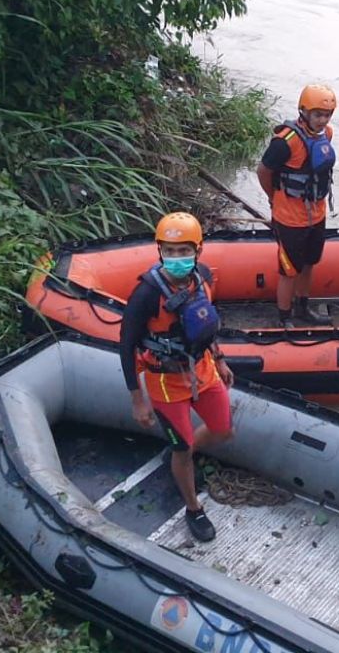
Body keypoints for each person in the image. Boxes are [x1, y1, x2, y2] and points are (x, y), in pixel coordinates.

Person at [119, 211, 235, 542]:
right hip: (165, 383)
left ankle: (182, 453)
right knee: (181, 447)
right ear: (159, 251)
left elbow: (204, 323)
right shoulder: (146, 294)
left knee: (224, 431)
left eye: (183, 251)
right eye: (169, 252)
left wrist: (221, 359)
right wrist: (136, 398)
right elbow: (126, 345)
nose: (177, 258)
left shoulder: (202, 276)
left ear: (198, 250)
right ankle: (193, 507)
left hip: (203, 369)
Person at [256, 84, 338, 327]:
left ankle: (303, 308)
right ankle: (284, 317)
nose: (323, 120)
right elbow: (263, 171)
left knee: (309, 263)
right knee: (289, 270)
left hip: (316, 213)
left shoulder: (327, 134)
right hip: (289, 217)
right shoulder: (285, 142)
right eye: (318, 115)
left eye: (327, 115)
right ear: (303, 112)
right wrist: (274, 198)